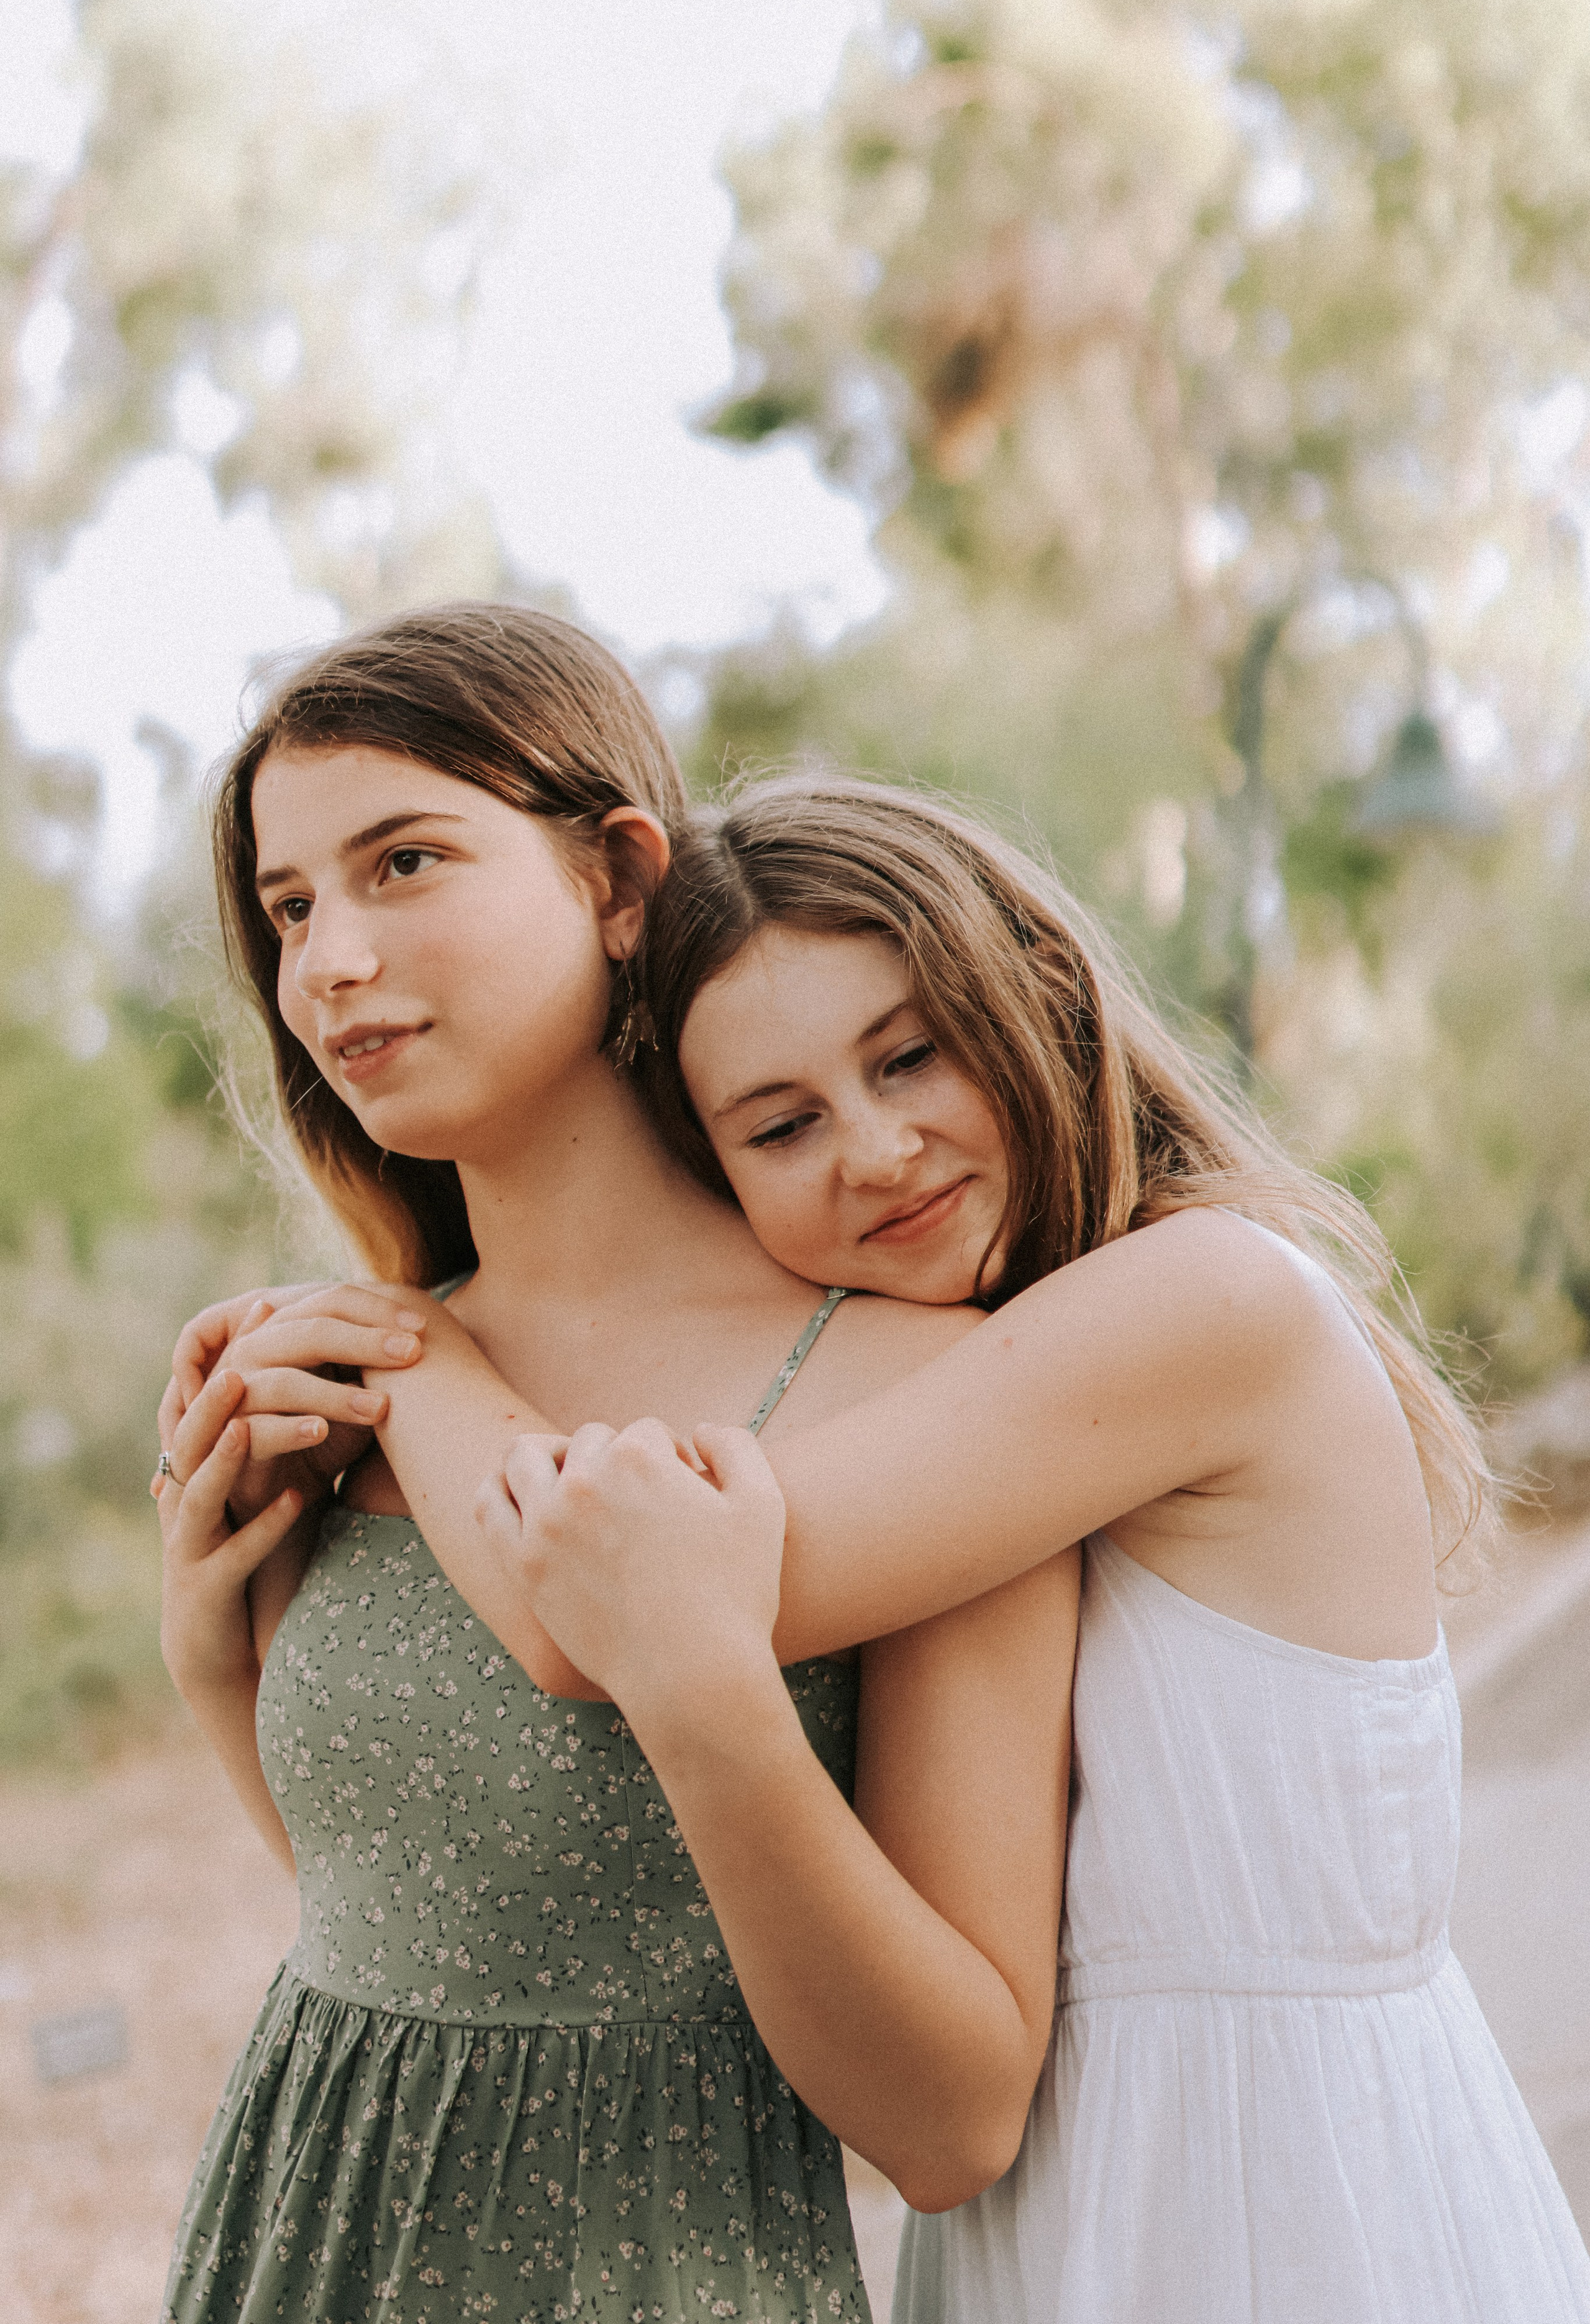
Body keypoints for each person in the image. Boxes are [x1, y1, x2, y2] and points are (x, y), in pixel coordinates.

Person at [183, 773, 1590, 2323]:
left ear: (1034, 994)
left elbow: (618, 1606)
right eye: (779, 1126)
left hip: (1285, 2191)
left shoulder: (1206, 1302)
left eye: (908, 1056)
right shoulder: (996, 1374)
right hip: (1049, 2213)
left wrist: (407, 1358)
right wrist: (220, 1658)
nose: (873, 1149)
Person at [152, 605, 1078, 2324]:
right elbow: (414, 1923)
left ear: (619, 879)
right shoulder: (353, 1385)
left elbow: (950, 2123)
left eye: (402, 863)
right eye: (289, 911)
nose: (329, 961)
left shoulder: (916, 1389)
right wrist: (213, 1655)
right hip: (289, 2256)